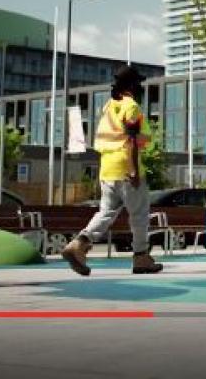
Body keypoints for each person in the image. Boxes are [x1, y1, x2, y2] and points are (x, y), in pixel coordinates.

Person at [61, 65, 163, 275]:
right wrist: (134, 170)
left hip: (107, 168)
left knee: (106, 211)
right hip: (127, 166)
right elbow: (132, 140)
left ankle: (80, 243)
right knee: (140, 215)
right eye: (138, 84)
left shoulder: (108, 106)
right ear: (132, 85)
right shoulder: (131, 106)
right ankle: (141, 257)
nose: (140, 87)